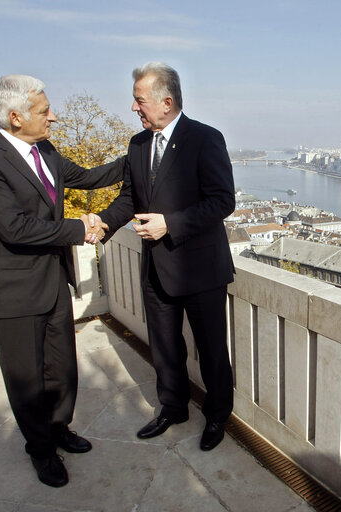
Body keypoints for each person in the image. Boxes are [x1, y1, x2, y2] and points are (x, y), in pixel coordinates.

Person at [0, 74, 123, 487]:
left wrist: (143, 152)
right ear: (16, 117)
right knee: (27, 380)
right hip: (12, 290)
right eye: (44, 111)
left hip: (52, 280)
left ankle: (60, 429)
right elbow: (15, 228)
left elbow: (87, 177)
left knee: (61, 368)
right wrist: (79, 229)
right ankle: (41, 449)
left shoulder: (45, 150)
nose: (54, 117)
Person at [92, 62, 235, 451]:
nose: (134, 108)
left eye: (140, 101)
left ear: (166, 101)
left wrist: (169, 224)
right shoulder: (138, 144)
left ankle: (218, 415)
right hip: (155, 265)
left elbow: (223, 201)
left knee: (211, 350)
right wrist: (102, 224)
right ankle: (173, 408)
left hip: (201, 269)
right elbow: (129, 198)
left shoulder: (205, 138)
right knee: (165, 347)